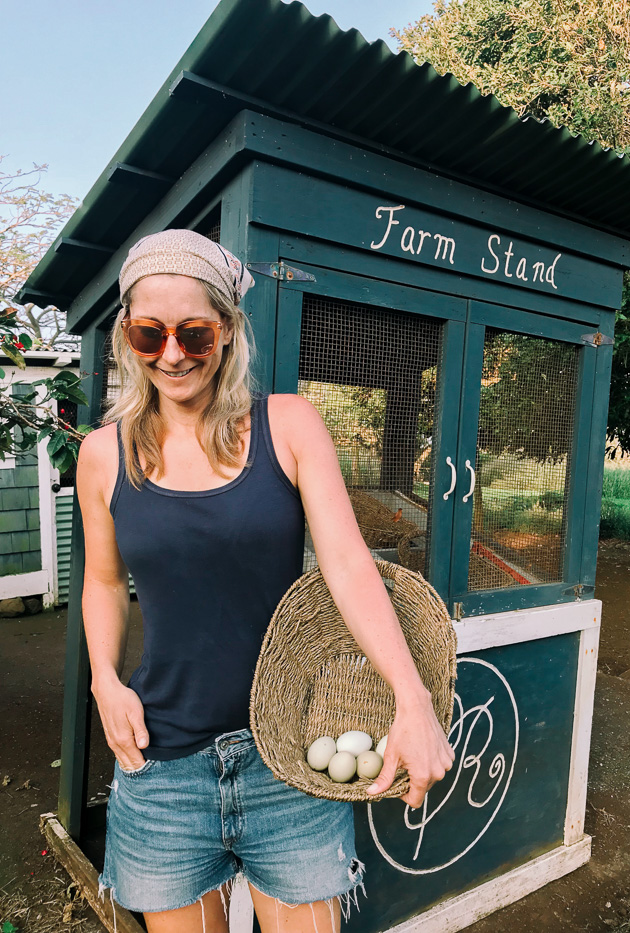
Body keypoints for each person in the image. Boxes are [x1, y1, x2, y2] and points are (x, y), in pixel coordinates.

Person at [77, 229, 454, 933]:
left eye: (193, 332)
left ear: (226, 330)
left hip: (289, 760)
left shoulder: (289, 425)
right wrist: (104, 675)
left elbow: (346, 563)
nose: (171, 355)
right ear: (127, 336)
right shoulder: (102, 455)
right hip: (163, 767)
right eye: (148, 334)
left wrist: (414, 696)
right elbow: (102, 581)